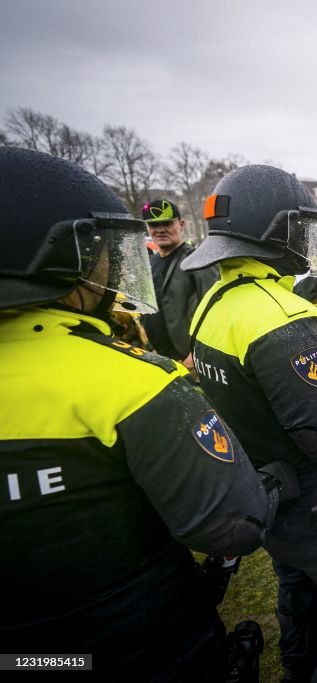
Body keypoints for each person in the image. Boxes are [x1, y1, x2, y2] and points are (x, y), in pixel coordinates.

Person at [0, 148, 282, 681]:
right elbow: (232, 525)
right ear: (63, 258)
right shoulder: (131, 385)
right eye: (103, 251)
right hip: (139, 647)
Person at [180, 164, 317, 681]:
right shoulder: (283, 316)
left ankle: (298, 669)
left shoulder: (212, 303)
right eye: (301, 229)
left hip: (267, 491)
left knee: (296, 587)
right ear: (276, 232)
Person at [139, 197, 218, 367]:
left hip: (191, 361)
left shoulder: (197, 260)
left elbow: (216, 310)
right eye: (153, 225)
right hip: (160, 359)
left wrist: (195, 354)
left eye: (167, 223)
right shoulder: (150, 263)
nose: (160, 230)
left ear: (181, 224)